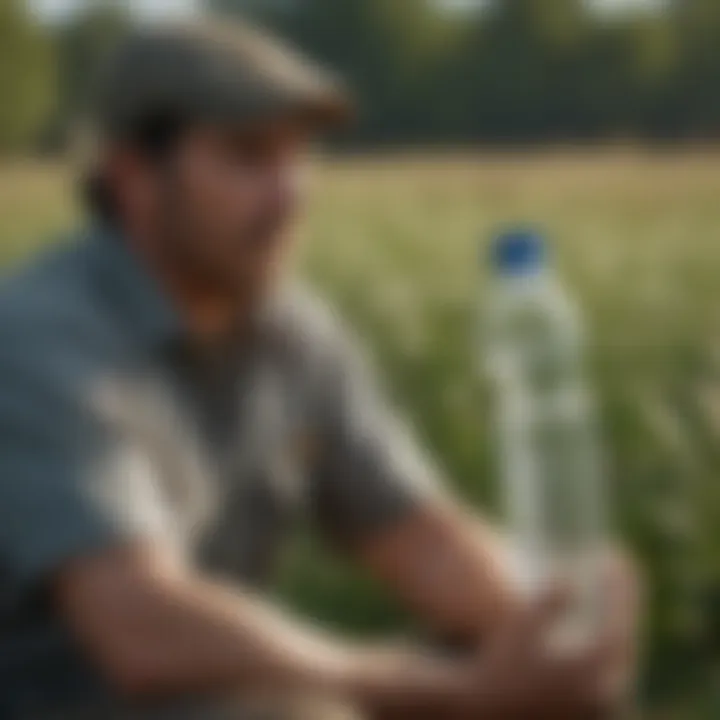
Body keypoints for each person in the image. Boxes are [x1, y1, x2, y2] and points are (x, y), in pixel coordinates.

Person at [0, 17, 639, 720]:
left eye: (298, 157)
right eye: (248, 157)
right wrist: (455, 691)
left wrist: (553, 627)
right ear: (134, 180)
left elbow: (422, 542)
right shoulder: (42, 337)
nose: (290, 194)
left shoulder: (294, 336)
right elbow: (139, 629)